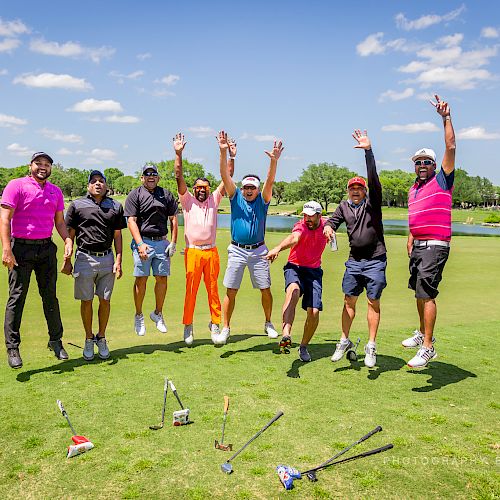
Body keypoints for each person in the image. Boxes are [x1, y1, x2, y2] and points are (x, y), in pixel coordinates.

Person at [1, 152, 72, 368]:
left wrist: (67, 239)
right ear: (30, 165)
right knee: (17, 297)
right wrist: (6, 249)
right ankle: (12, 347)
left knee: (50, 297)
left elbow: (59, 222)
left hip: (45, 248)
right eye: (38, 163)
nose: (43, 167)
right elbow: (4, 219)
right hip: (20, 248)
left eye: (47, 164)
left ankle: (55, 341)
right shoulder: (17, 185)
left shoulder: (55, 191)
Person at [401, 95, 456, 369]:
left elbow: (451, 146)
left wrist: (445, 118)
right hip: (419, 245)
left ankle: (428, 346)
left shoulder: (442, 180)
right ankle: (422, 332)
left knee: (427, 293)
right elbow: (416, 216)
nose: (422, 166)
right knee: (417, 292)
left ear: (434, 166)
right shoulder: (413, 189)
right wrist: (411, 238)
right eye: (418, 162)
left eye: (426, 162)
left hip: (436, 244)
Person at [325, 130, 386, 368]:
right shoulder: (343, 206)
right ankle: (344, 340)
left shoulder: (373, 203)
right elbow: (332, 221)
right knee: (348, 300)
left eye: (360, 188)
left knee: (373, 302)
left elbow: (373, 178)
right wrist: (328, 228)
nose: (356, 191)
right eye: (352, 188)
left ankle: (371, 345)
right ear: (348, 191)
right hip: (354, 261)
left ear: (365, 190)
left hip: (375, 260)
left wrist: (368, 152)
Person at [217, 130, 283, 345]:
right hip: (236, 249)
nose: (248, 190)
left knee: (265, 289)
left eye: (252, 187)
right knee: (231, 290)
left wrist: (273, 162)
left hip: (259, 250)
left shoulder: (262, 200)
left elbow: (270, 182)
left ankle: (268, 323)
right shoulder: (235, 197)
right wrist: (223, 151)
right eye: (246, 187)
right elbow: (224, 176)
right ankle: (226, 327)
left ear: (256, 189)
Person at [173, 132, 234, 346]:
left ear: (208, 190)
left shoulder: (214, 199)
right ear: (194, 189)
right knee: (191, 289)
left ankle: (215, 323)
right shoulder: (187, 200)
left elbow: (227, 176)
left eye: (204, 188)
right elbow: (179, 176)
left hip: (211, 251)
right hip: (192, 252)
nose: (201, 191)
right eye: (198, 187)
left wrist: (227, 154)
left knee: (213, 290)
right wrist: (178, 153)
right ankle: (188, 325)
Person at [62, 170, 126, 360]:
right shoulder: (77, 205)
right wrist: (66, 260)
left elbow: (117, 235)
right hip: (84, 258)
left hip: (107, 258)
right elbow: (70, 234)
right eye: (94, 181)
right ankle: (89, 338)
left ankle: (102, 337)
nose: (98, 184)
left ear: (106, 185)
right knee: (87, 300)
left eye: (101, 181)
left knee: (105, 300)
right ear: (88, 186)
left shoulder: (115, 205)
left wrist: (119, 260)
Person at [266, 201, 328, 362]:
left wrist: (331, 232)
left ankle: (303, 347)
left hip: (314, 272)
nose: (307, 218)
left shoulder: (326, 225)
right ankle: (286, 334)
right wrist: (278, 248)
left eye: (311, 216)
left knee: (313, 312)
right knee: (293, 291)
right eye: (305, 215)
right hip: (295, 267)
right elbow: (294, 238)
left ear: (319, 216)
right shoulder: (300, 226)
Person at [124, 164, 178, 336]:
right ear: (142, 178)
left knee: (162, 278)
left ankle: (157, 313)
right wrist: (139, 244)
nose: (151, 177)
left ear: (158, 177)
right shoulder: (135, 195)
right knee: (141, 279)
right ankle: (139, 315)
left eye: (154, 174)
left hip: (162, 242)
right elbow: (131, 221)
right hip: (144, 242)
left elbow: (173, 219)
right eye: (147, 174)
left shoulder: (166, 194)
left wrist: (174, 242)